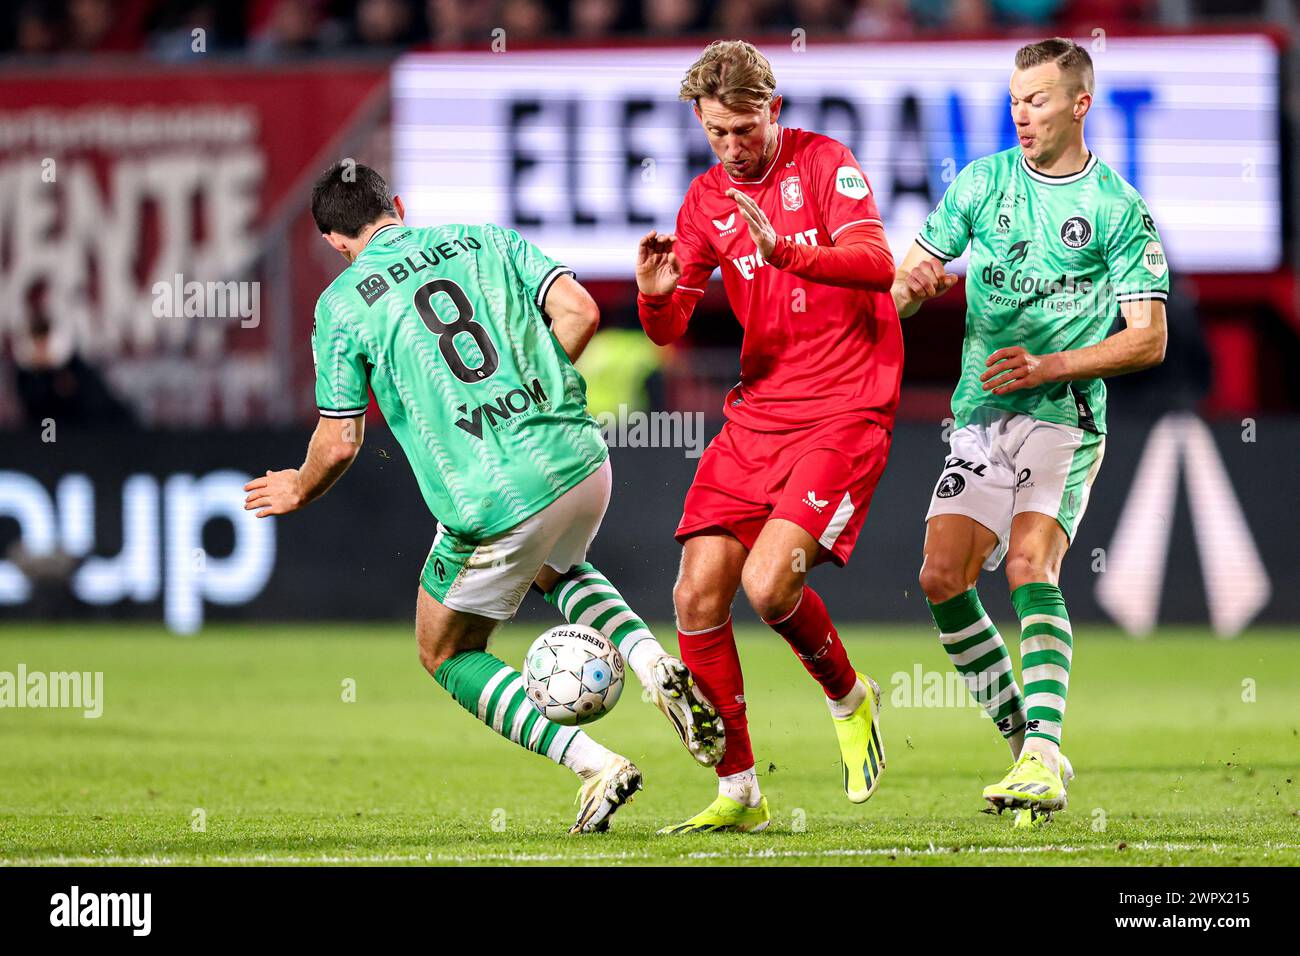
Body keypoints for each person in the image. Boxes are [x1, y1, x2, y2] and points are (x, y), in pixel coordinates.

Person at [244, 163, 723, 834]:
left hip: (493, 497)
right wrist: (530, 398)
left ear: (335, 241)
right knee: (553, 567)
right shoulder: (482, 237)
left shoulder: (343, 304)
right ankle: (653, 664)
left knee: (444, 650)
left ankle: (597, 764)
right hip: (581, 459)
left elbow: (341, 442)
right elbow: (580, 312)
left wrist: (298, 485)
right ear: (398, 206)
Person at [892, 37, 1168, 826]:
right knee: (942, 578)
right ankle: (1028, 745)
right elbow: (906, 283)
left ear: (1081, 104)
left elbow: (1148, 337)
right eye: (1016, 99)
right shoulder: (981, 182)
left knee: (1026, 565)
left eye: (1039, 100)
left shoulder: (1116, 207)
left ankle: (1043, 753)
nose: (1023, 113)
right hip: (980, 416)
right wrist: (910, 288)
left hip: (1064, 414)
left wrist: (1053, 366)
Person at [636, 40, 903, 833]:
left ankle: (850, 699)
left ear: (773, 109)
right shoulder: (704, 199)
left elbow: (877, 261)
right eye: (715, 132)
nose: (730, 146)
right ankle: (740, 789)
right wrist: (653, 298)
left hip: (847, 403)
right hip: (761, 412)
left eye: (743, 129)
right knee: (695, 594)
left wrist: (784, 249)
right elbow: (671, 322)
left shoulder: (827, 164)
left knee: (768, 586)